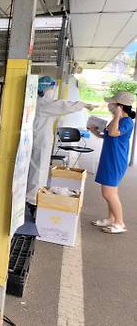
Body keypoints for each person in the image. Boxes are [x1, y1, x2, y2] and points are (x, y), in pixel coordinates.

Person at [25, 76, 94, 210]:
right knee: (38, 170)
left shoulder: (38, 101)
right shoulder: (44, 103)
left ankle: (33, 197)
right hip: (40, 140)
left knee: (38, 169)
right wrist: (83, 104)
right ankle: (33, 201)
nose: (52, 90)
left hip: (38, 138)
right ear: (45, 88)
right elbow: (62, 105)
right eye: (51, 88)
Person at [88, 91, 136, 234]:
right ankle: (111, 219)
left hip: (116, 160)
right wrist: (94, 131)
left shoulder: (126, 122)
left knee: (108, 193)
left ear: (120, 106)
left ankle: (120, 223)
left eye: (113, 104)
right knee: (111, 192)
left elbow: (114, 133)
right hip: (109, 158)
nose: (109, 106)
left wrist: (116, 115)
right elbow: (108, 135)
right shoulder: (118, 119)